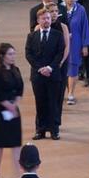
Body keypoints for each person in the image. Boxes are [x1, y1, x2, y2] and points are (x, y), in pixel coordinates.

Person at [0, 43, 24, 178]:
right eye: (10, 54)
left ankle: (18, 175)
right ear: (2, 56)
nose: (13, 56)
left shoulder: (16, 70)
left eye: (14, 53)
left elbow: (20, 88)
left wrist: (15, 104)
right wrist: (10, 106)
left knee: (16, 143)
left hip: (13, 109)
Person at [25, 10, 65, 141]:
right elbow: (28, 54)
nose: (46, 20)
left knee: (53, 103)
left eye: (48, 18)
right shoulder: (32, 36)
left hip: (53, 74)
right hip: (37, 75)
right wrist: (40, 68)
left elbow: (60, 53)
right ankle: (40, 130)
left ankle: (54, 130)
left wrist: (49, 68)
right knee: (40, 102)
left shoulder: (58, 35)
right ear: (38, 21)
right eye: (43, 19)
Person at [60, 0, 89, 106]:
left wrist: (85, 45)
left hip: (76, 43)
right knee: (62, 68)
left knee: (73, 69)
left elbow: (85, 28)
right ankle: (62, 92)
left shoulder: (81, 9)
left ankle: (71, 93)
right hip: (62, 44)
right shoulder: (60, 9)